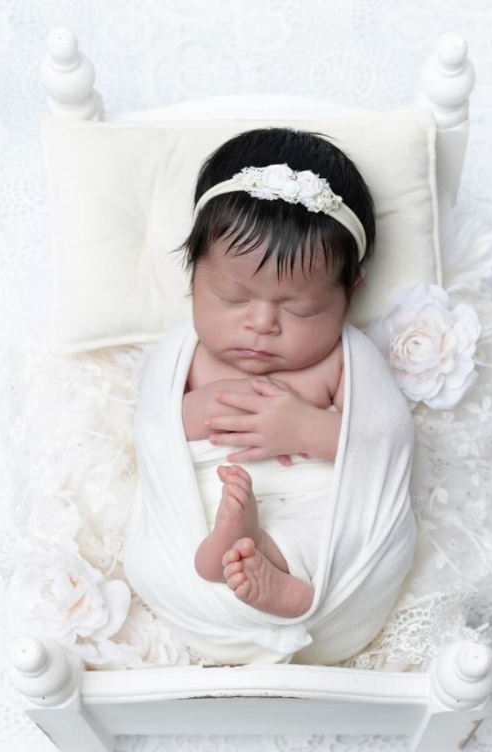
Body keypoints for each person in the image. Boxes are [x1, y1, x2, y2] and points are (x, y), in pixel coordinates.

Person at [174, 127, 377, 619]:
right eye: (232, 298)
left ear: (350, 290)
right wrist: (203, 411)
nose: (261, 324)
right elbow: (155, 432)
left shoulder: (342, 362)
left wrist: (305, 427)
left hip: (313, 496)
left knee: (331, 525)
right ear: (194, 272)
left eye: (301, 309)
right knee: (199, 519)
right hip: (221, 484)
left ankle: (288, 584)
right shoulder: (188, 356)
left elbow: (381, 446)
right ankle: (233, 544)